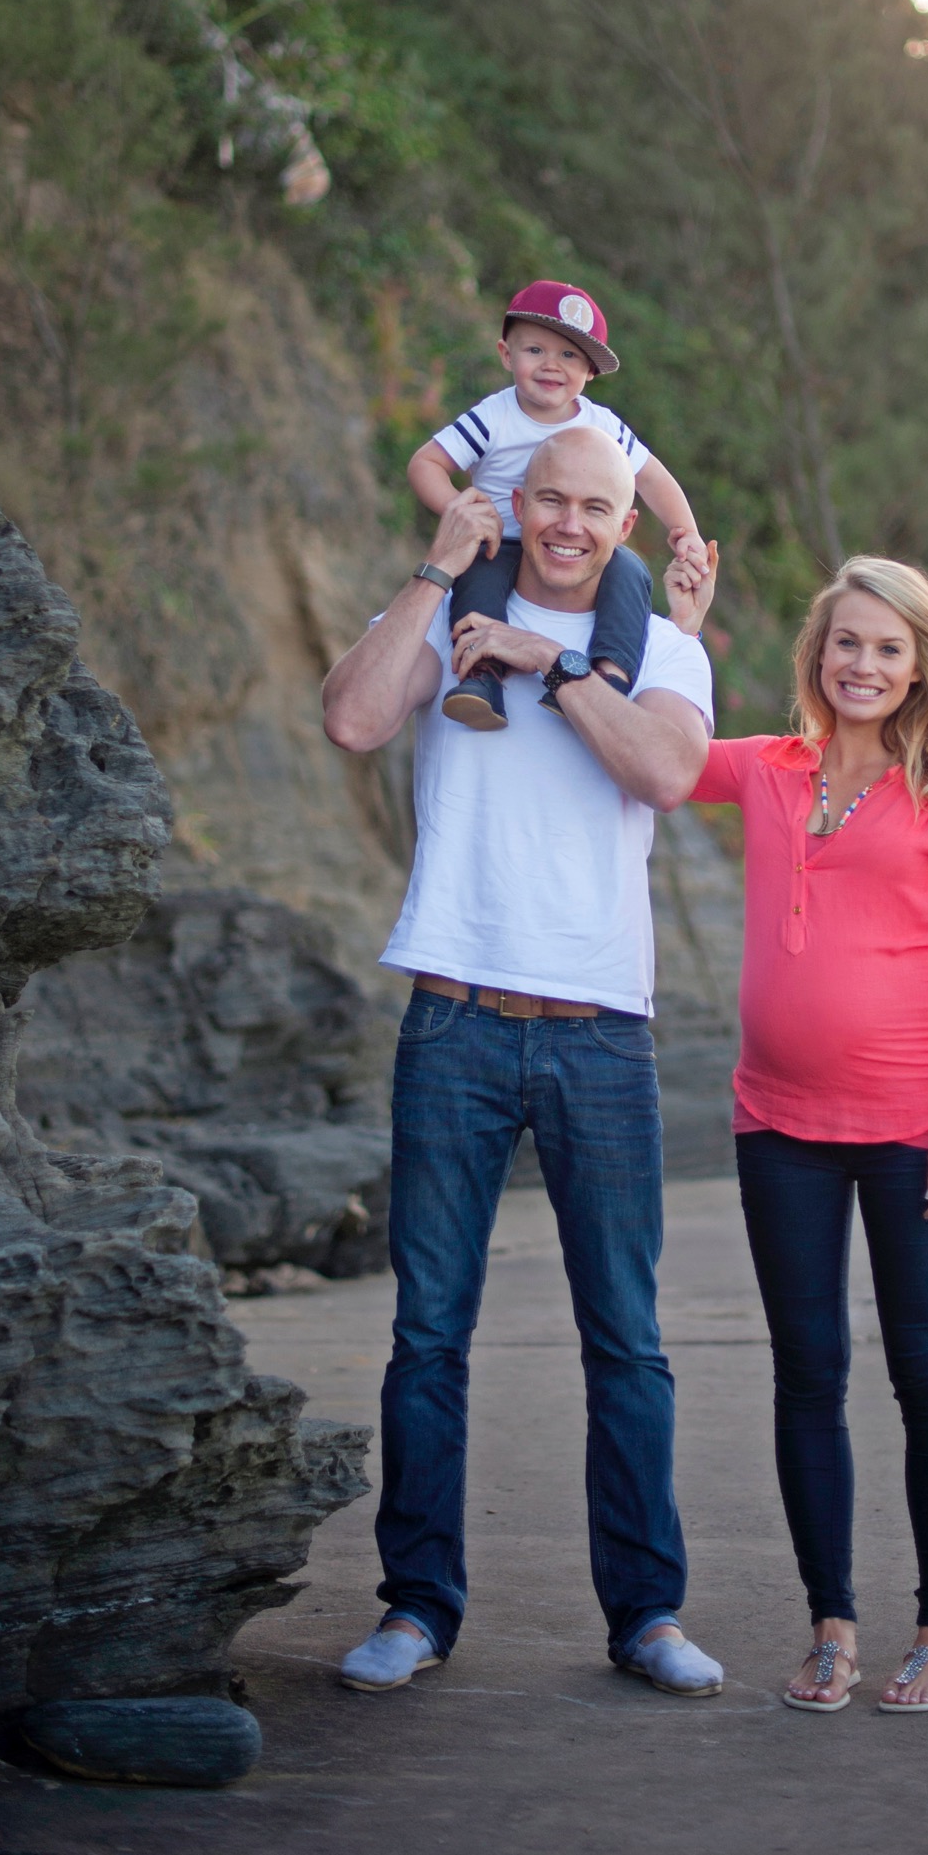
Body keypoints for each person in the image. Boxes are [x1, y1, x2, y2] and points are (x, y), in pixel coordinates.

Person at [320, 424, 725, 1698]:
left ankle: (646, 1614)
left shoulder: (662, 650)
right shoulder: (449, 608)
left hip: (600, 1029)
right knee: (427, 1332)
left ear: (622, 523)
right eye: (547, 498)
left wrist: (554, 666)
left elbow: (667, 770)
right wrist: (438, 571)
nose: (567, 524)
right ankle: (416, 1607)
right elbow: (352, 717)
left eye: (593, 507)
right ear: (513, 497)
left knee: (628, 1339)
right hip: (454, 1015)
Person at [689, 556, 928, 1714]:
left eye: (887, 647)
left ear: (918, 665)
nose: (862, 665)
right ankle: (830, 1627)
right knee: (806, 1372)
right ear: (816, 653)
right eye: (845, 642)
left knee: (924, 1371)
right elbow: (659, 753)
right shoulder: (767, 768)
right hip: (775, 1123)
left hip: (911, 1126)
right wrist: (672, 631)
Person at [406, 278, 707, 729]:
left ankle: (609, 677)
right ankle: (482, 677)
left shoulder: (603, 425)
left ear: (590, 371)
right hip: (499, 541)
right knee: (477, 582)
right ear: (507, 354)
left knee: (629, 572)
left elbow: (651, 477)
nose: (551, 365)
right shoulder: (495, 416)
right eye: (535, 350)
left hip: (576, 546)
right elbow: (426, 463)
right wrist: (464, 511)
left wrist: (686, 533)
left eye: (569, 355)